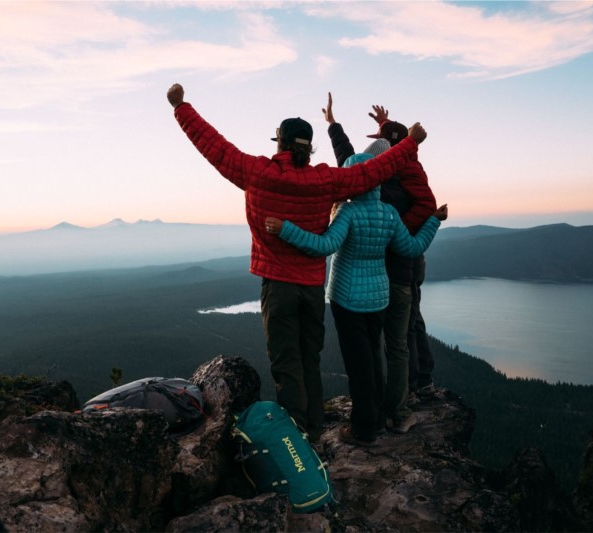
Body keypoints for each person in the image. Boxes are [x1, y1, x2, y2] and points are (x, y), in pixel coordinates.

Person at [166, 83, 428, 441]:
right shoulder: (325, 181)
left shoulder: (257, 173)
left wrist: (181, 107)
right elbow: (370, 173)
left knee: (286, 363)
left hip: (278, 286)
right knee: (310, 359)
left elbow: (214, 147)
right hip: (312, 288)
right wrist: (409, 142)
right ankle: (317, 428)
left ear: (280, 143)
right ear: (309, 146)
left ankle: (298, 435)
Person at [265, 152, 447, 446]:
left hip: (347, 298)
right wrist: (433, 222)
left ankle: (363, 430)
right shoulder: (388, 213)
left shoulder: (348, 212)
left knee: (358, 364)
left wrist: (285, 228)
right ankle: (375, 419)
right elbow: (412, 248)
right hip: (379, 297)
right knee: (373, 357)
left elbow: (324, 245)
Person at [322, 93, 437, 433]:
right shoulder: (390, 182)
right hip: (390, 275)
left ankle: (392, 409)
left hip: (396, 272)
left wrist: (398, 232)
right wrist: (333, 125)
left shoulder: (390, 187)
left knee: (389, 344)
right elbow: (352, 156)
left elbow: (352, 162)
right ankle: (397, 408)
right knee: (394, 342)